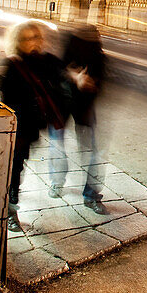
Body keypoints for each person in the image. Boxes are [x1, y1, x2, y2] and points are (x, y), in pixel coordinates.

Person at [0, 20, 66, 232]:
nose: (36, 42)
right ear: (18, 42)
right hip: (13, 130)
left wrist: (77, 78)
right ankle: (10, 212)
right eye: (30, 38)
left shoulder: (45, 61)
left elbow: (62, 75)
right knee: (12, 171)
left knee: (17, 168)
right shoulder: (12, 64)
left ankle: (9, 204)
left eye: (38, 37)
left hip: (31, 128)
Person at [48, 24, 107, 213]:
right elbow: (54, 71)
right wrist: (73, 77)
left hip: (84, 106)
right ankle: (57, 182)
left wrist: (91, 84)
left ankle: (90, 195)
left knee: (92, 152)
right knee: (57, 145)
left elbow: (102, 80)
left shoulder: (98, 56)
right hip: (60, 104)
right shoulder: (64, 47)